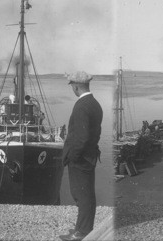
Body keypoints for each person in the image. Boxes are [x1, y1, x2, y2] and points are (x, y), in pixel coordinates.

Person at [60, 71, 103, 241]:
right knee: (84, 194)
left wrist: (73, 156)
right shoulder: (94, 104)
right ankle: (81, 228)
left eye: (72, 86)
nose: (72, 88)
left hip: (81, 159)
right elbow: (94, 134)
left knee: (82, 195)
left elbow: (82, 137)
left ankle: (82, 233)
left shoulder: (81, 106)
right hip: (89, 156)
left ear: (76, 86)